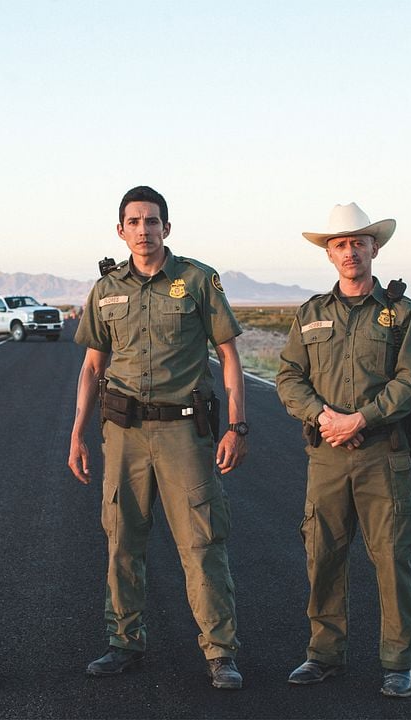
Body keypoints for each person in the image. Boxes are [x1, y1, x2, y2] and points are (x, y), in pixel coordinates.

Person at [67, 186, 249, 690]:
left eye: (152, 221)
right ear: (120, 230)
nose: (143, 230)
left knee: (201, 542)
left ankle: (220, 652)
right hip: (123, 434)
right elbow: (91, 366)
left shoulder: (196, 281)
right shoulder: (105, 290)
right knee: (122, 541)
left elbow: (229, 355)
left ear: (166, 228)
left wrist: (236, 425)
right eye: (134, 221)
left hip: (184, 434)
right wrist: (78, 434)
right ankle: (124, 643)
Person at [275, 202, 411, 698]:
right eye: (339, 244)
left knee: (390, 558)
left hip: (383, 454)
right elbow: (288, 377)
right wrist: (325, 418)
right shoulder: (310, 315)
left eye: (358, 242)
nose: (349, 251)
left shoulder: (402, 313)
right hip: (327, 456)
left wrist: (361, 418)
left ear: (374, 248)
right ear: (329, 254)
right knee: (322, 555)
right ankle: (323, 654)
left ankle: (397, 661)